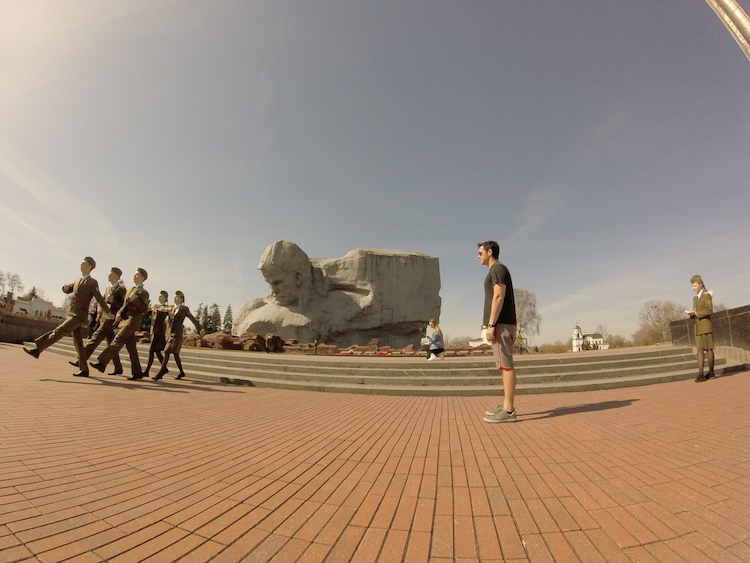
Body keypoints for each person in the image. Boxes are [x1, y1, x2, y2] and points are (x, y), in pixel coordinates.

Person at [23, 257, 110, 377]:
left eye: (83, 263)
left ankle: (38, 350)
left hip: (79, 316)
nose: (81, 264)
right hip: (72, 313)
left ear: (90, 266)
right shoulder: (78, 280)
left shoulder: (92, 282)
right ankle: (84, 370)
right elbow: (67, 289)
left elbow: (99, 298)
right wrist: (65, 287)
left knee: (60, 331)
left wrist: (108, 312)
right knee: (78, 342)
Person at [478, 241, 518, 423]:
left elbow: (499, 296)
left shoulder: (497, 269)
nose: (478, 256)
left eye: (480, 253)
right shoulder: (496, 270)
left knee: (507, 365)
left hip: (501, 324)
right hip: (501, 324)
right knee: (503, 366)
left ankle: (509, 411)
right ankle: (506, 404)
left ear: (490, 252)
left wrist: (491, 324)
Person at [90, 268, 150, 380]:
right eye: (134, 274)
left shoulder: (143, 292)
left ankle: (102, 363)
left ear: (143, 278)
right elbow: (124, 305)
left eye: (137, 275)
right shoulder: (130, 290)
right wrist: (119, 313)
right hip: (126, 320)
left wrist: (136, 300)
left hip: (134, 321)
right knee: (131, 347)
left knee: (117, 340)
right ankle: (137, 372)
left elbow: (144, 310)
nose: (134, 276)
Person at [71, 267, 127, 375]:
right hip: (104, 318)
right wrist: (99, 315)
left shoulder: (121, 290)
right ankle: (118, 368)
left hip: (112, 319)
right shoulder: (107, 289)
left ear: (116, 276)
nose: (108, 276)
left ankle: (80, 361)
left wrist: (113, 301)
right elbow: (102, 303)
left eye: (110, 274)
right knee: (111, 343)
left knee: (95, 338)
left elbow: (124, 305)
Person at [153, 290, 203, 380]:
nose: (174, 298)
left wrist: (200, 328)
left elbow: (192, 318)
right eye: (174, 297)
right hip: (170, 333)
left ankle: (160, 373)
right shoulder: (171, 308)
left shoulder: (184, 309)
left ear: (181, 299)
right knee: (175, 354)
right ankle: (181, 372)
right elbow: (162, 309)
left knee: (167, 351)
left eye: (177, 297)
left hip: (177, 334)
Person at [687, 274, 714, 382]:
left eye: (694, 286)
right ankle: (700, 373)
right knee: (699, 350)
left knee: (709, 349)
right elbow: (696, 312)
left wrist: (697, 313)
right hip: (697, 327)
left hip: (706, 326)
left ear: (700, 284)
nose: (693, 288)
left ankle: (711, 372)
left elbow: (709, 311)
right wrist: (692, 314)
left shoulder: (707, 295)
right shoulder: (695, 298)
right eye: (692, 286)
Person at [143, 290, 170, 377]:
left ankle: (147, 371)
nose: (159, 298)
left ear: (165, 298)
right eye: (159, 296)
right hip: (153, 331)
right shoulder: (156, 306)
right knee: (157, 351)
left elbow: (162, 313)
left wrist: (154, 309)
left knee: (152, 351)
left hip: (159, 332)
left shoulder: (166, 308)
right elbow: (149, 315)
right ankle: (164, 368)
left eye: (161, 296)